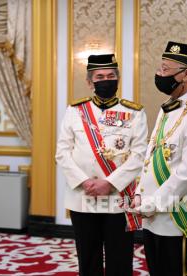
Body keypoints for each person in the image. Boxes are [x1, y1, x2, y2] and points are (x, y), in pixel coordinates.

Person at [56, 54, 148, 276]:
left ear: (117, 79)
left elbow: (139, 154)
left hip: (117, 196)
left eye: (111, 76)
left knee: (120, 258)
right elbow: (62, 152)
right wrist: (84, 181)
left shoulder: (134, 112)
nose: (106, 80)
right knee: (88, 258)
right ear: (90, 82)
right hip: (83, 196)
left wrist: (110, 183)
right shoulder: (75, 111)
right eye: (100, 76)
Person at [133, 41, 187, 276]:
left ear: (186, 74)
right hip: (153, 214)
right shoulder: (169, 106)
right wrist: (140, 195)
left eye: (165, 69)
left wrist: (151, 204)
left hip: (178, 218)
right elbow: (151, 157)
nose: (159, 74)